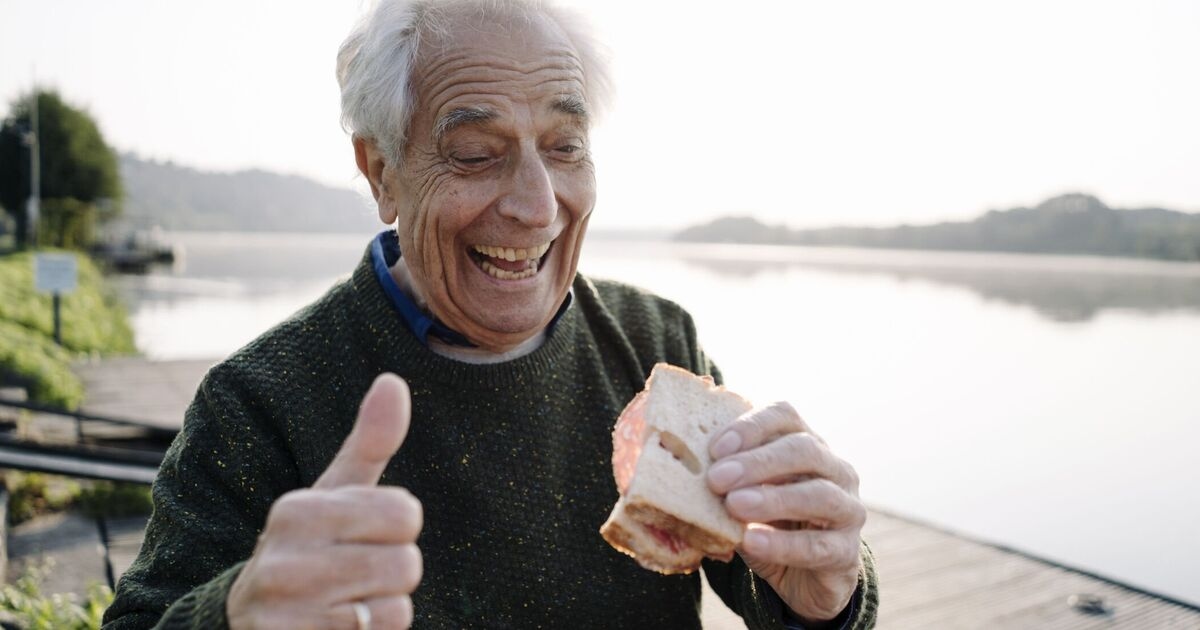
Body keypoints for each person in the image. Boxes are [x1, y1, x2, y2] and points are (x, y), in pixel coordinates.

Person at [103, 1, 879, 628]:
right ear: (382, 172)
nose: (538, 206)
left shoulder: (656, 345)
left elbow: (777, 592)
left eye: (565, 146)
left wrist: (826, 597)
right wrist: (236, 614)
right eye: (475, 154)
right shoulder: (261, 401)